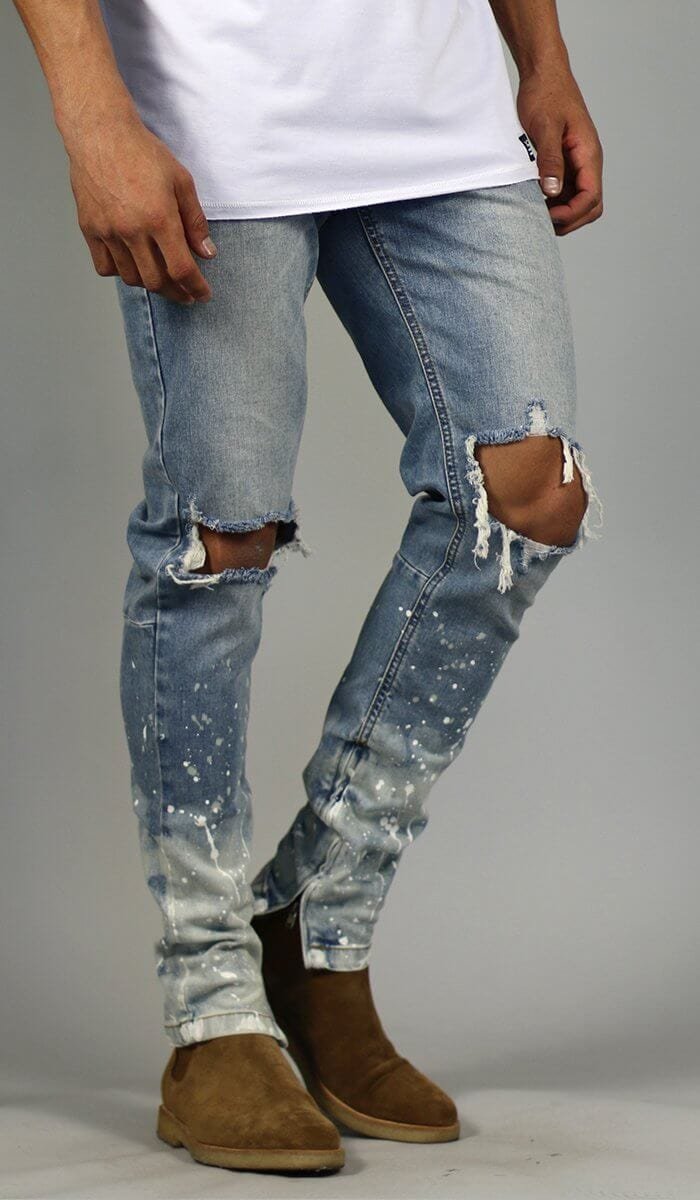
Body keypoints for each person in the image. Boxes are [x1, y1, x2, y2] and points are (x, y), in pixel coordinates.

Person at [14, 0, 603, 1176]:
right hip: (214, 112)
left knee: (526, 494)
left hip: (437, 106)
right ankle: (212, 1003)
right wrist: (91, 113)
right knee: (219, 539)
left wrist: (542, 57)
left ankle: (316, 914)